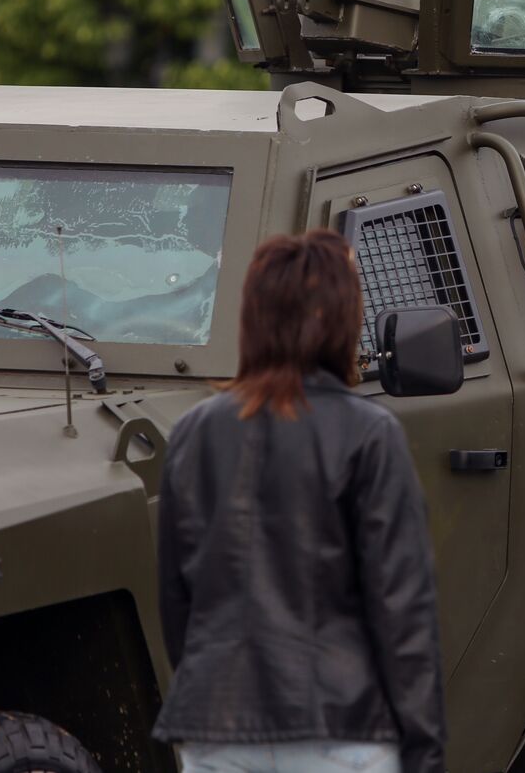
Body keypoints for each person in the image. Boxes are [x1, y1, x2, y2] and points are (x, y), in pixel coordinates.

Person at [153, 231, 446, 773]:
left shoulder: (193, 431)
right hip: (340, 725)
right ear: (344, 318)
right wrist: (424, 750)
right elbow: (402, 611)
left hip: (215, 727)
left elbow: (177, 602)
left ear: (252, 317)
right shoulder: (369, 433)